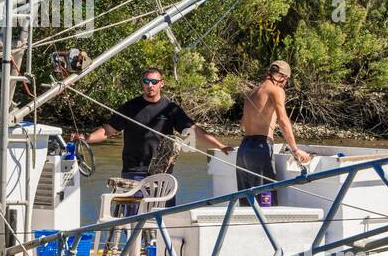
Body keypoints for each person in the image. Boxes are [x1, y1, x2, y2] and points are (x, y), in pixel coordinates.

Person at [73, 67, 232, 187]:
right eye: (146, 81)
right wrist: (86, 138)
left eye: (154, 82)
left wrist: (221, 145)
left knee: (160, 218)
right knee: (134, 219)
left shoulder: (170, 108)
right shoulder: (130, 107)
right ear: (142, 83)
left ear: (161, 83)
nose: (150, 85)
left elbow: (195, 132)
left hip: (162, 172)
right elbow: (108, 131)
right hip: (133, 171)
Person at [237, 60, 312, 206]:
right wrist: (295, 149)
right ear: (282, 77)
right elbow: (283, 120)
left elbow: (242, 125)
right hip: (260, 149)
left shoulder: (251, 93)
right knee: (266, 201)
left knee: (247, 203)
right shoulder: (276, 90)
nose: (285, 84)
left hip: (243, 150)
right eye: (287, 80)